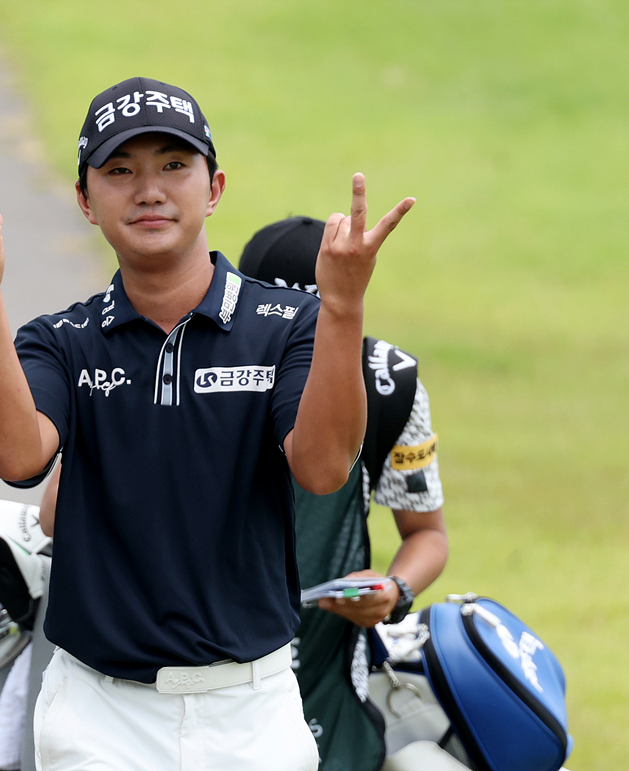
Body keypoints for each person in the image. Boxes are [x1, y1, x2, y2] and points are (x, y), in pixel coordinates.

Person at [0, 76, 414, 771]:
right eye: (120, 171)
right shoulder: (62, 341)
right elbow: (17, 456)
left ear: (215, 187)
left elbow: (323, 469)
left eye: (174, 165)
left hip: (252, 708)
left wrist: (344, 308)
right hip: (98, 711)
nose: (149, 190)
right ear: (85, 200)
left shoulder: (288, 325)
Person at [239, 216, 448, 771]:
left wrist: (393, 590)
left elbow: (427, 535)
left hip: (328, 687)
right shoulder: (202, 370)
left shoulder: (388, 385)